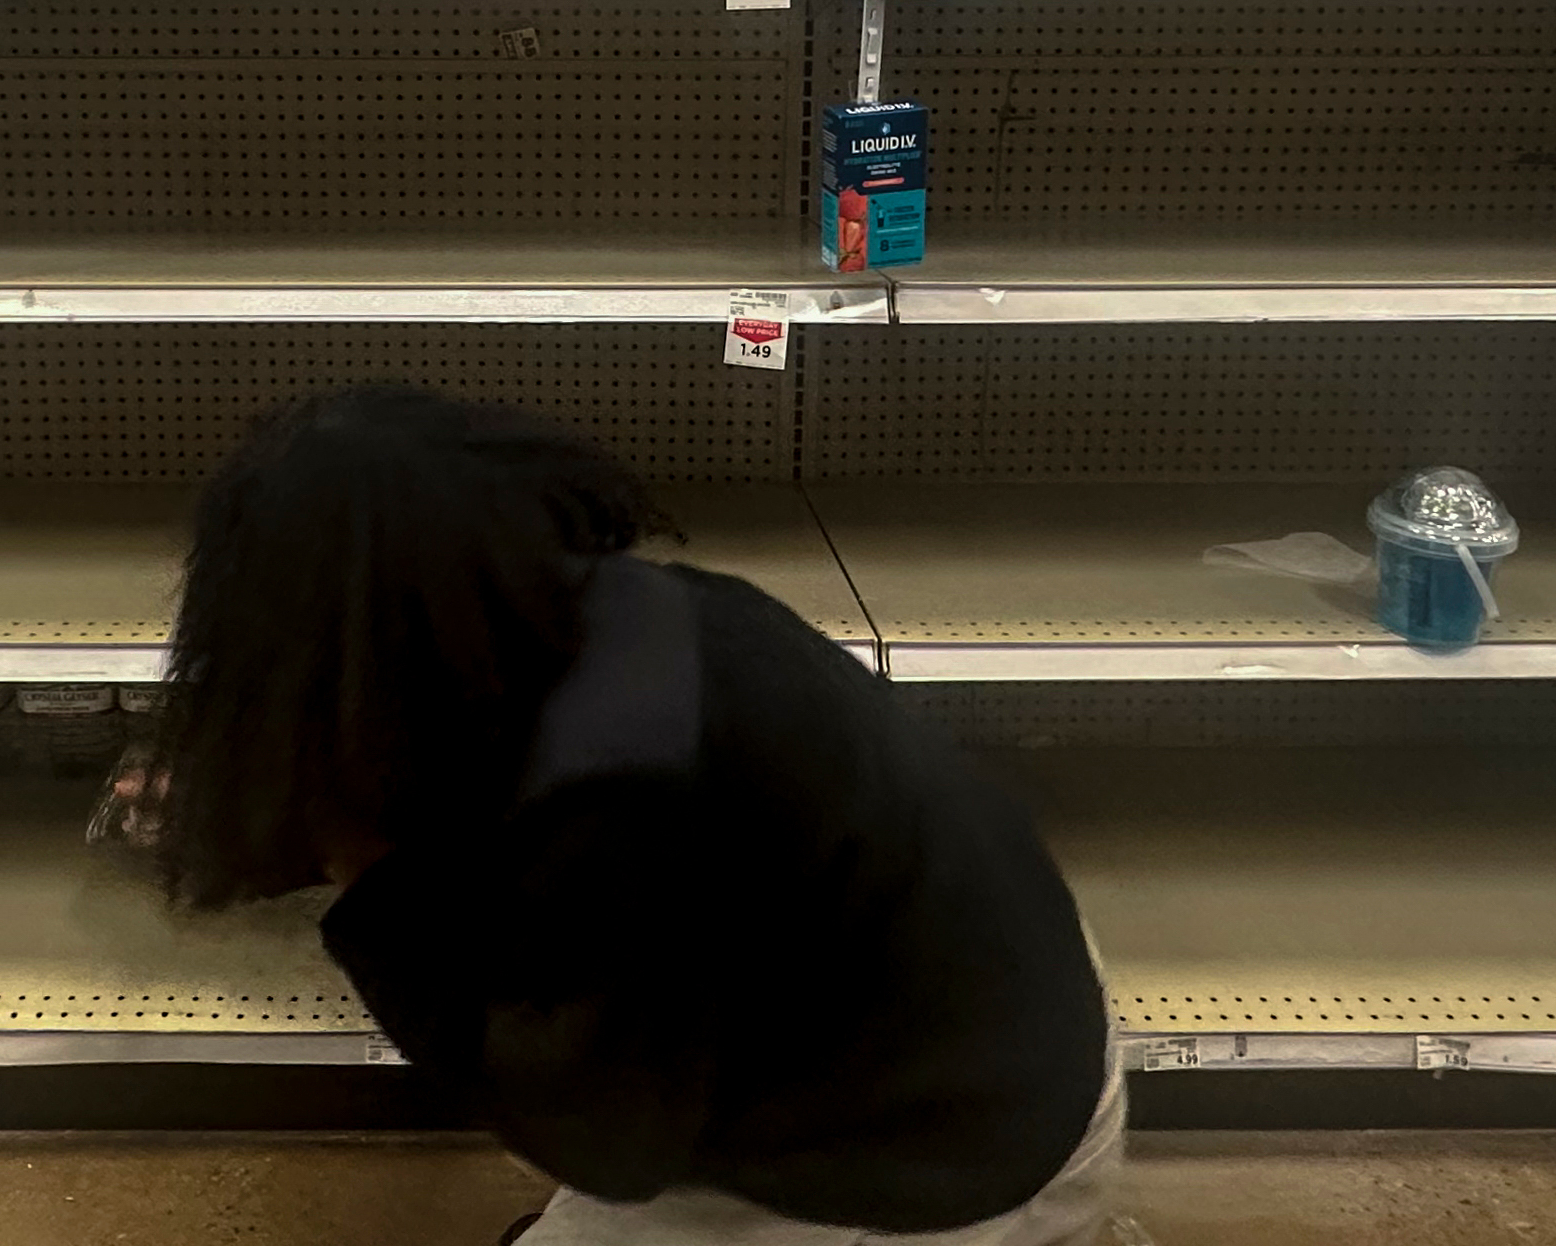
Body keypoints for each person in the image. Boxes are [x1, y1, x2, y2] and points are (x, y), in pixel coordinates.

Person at [144, 385, 1122, 1246]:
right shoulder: (628, 612)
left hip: (946, 1160)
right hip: (980, 1025)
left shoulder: (616, 803)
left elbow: (596, 1137)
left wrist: (358, 866)